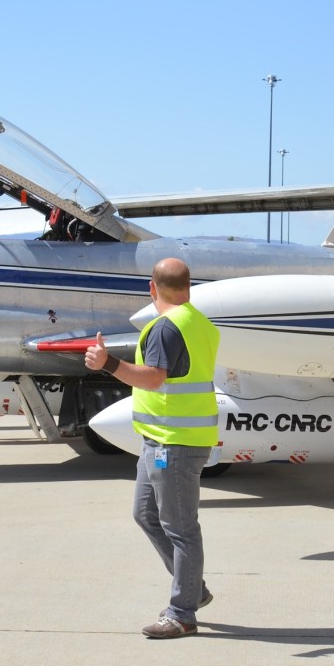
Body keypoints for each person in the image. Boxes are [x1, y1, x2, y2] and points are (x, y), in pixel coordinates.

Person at [84, 256, 219, 640]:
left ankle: (182, 612)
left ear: (152, 288)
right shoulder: (199, 323)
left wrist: (108, 362)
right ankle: (194, 590)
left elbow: (155, 378)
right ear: (188, 286)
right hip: (165, 439)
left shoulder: (165, 329)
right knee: (146, 514)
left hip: (174, 443)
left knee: (180, 528)